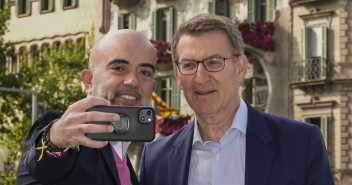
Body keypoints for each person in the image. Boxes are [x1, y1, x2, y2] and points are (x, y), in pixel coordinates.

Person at [139, 14, 334, 185]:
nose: (201, 77)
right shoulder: (155, 160)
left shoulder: (301, 144)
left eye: (213, 62)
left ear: (240, 68)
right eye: (189, 65)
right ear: (178, 75)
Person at [16, 29, 157, 185]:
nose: (133, 81)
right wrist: (54, 141)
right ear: (89, 81)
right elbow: (40, 165)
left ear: (153, 88)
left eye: (145, 72)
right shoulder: (70, 135)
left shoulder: (128, 164)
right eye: (118, 68)